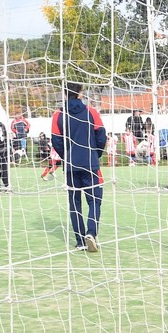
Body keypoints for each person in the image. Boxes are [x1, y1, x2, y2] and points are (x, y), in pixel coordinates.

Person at [51, 81, 108, 253]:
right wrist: (94, 154)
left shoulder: (58, 115)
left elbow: (56, 141)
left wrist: (66, 157)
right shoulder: (91, 112)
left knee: (74, 203)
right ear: (80, 93)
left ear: (64, 94)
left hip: (70, 166)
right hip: (90, 163)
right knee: (95, 200)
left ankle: (80, 240)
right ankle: (91, 232)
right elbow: (102, 136)